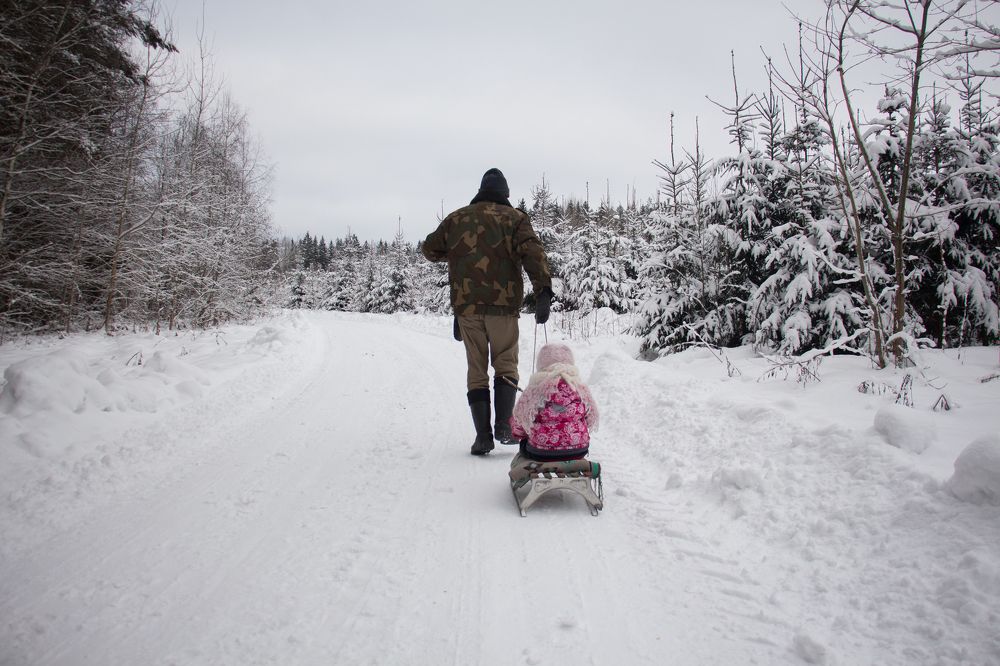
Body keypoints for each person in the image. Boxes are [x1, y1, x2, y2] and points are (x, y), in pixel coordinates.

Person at [422, 168, 552, 456]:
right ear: (505, 193)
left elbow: (429, 249)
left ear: (481, 191)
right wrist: (543, 290)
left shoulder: (457, 219)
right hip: (503, 307)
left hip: (467, 309)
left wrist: (457, 252)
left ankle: (483, 436)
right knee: (505, 363)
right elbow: (533, 253)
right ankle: (504, 427)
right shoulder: (516, 219)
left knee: (476, 369)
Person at [510, 343, 598, 461]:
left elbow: (519, 422)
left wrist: (521, 434)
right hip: (579, 450)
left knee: (524, 444)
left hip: (541, 452)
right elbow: (591, 418)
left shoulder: (535, 387)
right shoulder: (579, 387)